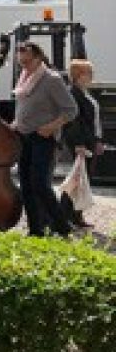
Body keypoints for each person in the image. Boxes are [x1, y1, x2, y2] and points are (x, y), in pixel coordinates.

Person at [13, 42, 77, 237]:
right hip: (23, 137)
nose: (24, 66)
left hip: (42, 138)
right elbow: (25, 106)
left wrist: (51, 127)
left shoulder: (52, 79)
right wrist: (15, 123)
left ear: (39, 58)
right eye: (20, 62)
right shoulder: (24, 77)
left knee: (40, 184)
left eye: (27, 62)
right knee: (25, 184)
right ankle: (35, 229)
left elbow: (71, 110)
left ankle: (62, 225)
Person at [62, 59, 103, 227]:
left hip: (89, 142)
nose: (92, 76)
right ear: (79, 75)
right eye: (89, 73)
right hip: (80, 144)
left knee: (82, 180)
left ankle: (75, 215)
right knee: (76, 179)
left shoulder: (84, 94)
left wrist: (98, 140)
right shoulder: (73, 95)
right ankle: (64, 215)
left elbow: (94, 122)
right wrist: (78, 144)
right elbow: (73, 122)